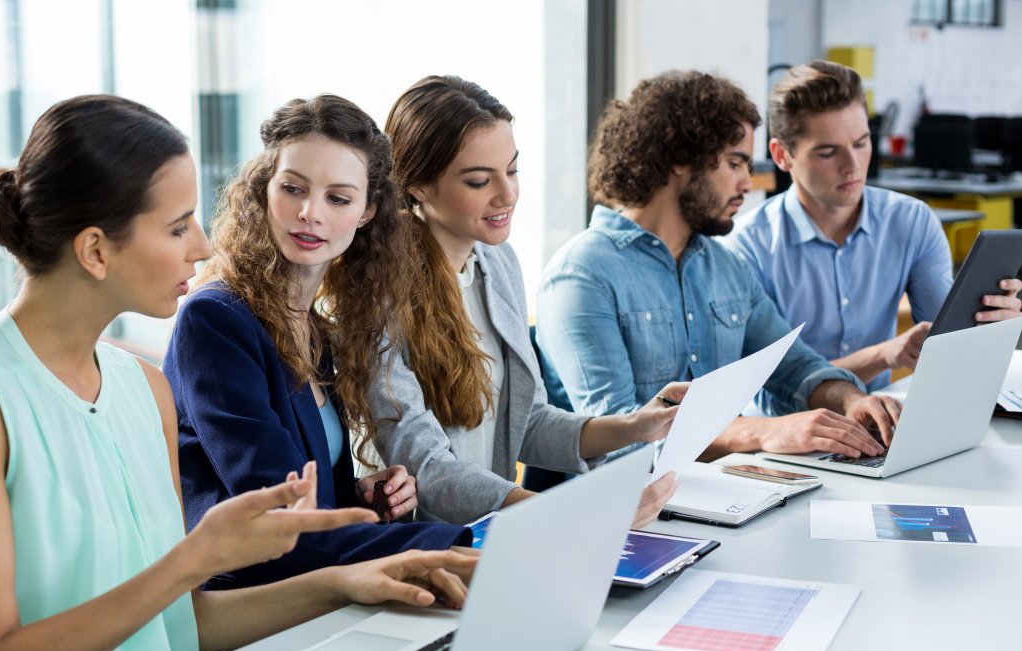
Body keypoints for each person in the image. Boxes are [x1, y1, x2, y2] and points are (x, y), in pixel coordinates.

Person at [0, 95, 475, 651]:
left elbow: (181, 622)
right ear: (95, 251)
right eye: (176, 225)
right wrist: (196, 558)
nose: (203, 244)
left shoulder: (144, 389)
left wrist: (360, 578)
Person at [163, 95, 472, 589]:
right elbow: (282, 519)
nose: (310, 213)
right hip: (247, 604)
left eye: (338, 198)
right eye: (293, 188)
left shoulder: (316, 330)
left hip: (318, 586)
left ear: (368, 212)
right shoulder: (216, 321)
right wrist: (461, 546)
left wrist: (358, 498)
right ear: (265, 190)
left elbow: (310, 502)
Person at [537, 71, 900, 463]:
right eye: (735, 162)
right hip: (628, 514)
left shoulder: (727, 266)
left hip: (728, 493)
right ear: (680, 159)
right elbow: (620, 442)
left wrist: (850, 400)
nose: (748, 181)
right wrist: (763, 432)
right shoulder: (581, 276)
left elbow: (794, 366)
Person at [366, 75, 682, 526]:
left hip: (492, 536)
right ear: (417, 185)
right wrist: (569, 514)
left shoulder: (497, 263)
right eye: (479, 181)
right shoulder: (379, 294)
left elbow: (526, 421)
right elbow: (427, 467)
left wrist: (636, 426)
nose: (508, 194)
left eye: (512, 171)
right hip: (420, 549)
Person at [721, 59, 1022, 396]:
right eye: (827, 152)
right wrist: (883, 355)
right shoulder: (745, 248)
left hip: (878, 423)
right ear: (781, 155)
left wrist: (990, 329)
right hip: (785, 435)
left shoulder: (911, 222)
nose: (852, 166)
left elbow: (949, 350)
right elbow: (772, 386)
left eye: (861, 143)